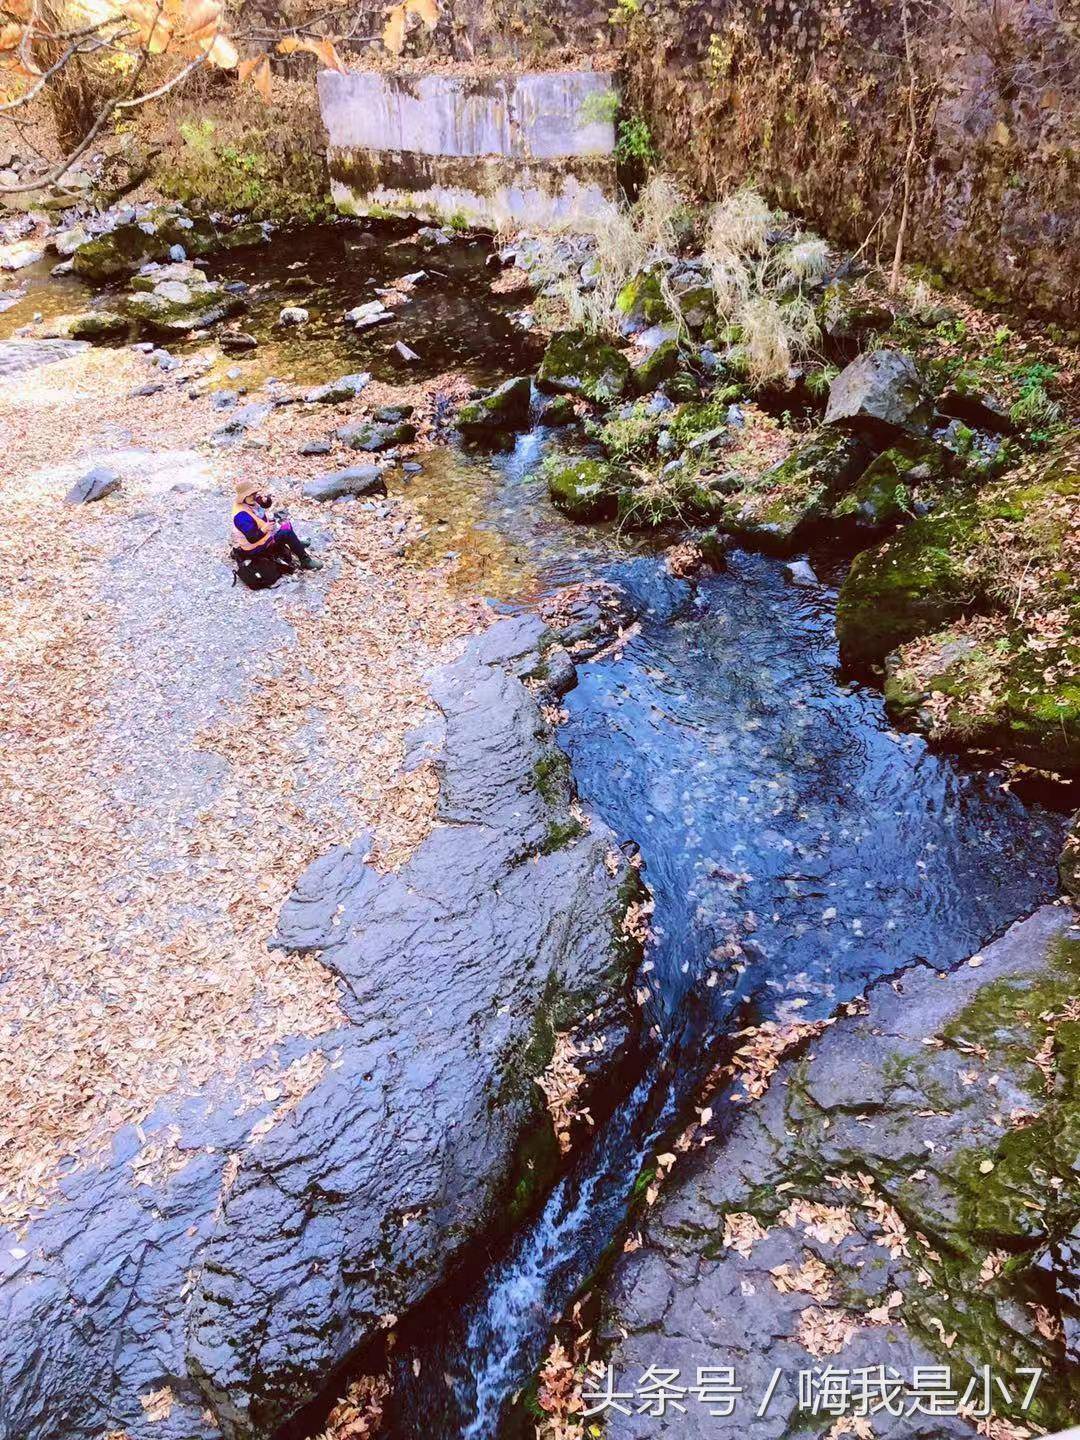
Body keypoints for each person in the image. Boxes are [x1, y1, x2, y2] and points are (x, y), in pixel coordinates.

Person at [230, 480, 323, 579]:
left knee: (286, 524)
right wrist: (264, 530)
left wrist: (267, 500)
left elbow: (264, 504)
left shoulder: (250, 501)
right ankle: (305, 560)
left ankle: (297, 544)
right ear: (243, 497)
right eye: (250, 495)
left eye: (254, 493)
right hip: (256, 547)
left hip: (263, 534)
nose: (254, 496)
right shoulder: (241, 517)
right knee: (287, 533)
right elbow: (252, 538)